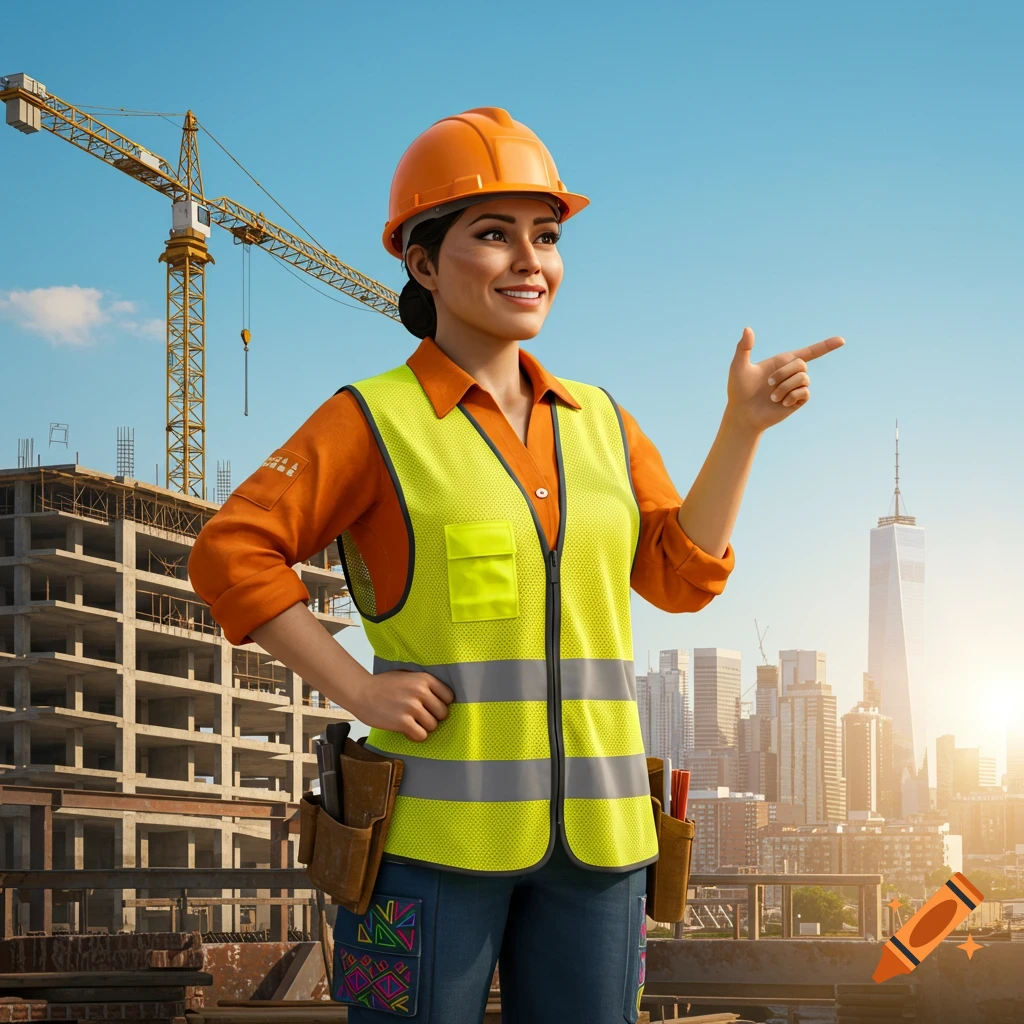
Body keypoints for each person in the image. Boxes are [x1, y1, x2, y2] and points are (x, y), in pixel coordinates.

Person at [188, 107, 844, 1023]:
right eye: (492, 235)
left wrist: (741, 431)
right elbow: (231, 551)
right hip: (429, 843)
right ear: (421, 262)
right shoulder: (374, 420)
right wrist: (359, 692)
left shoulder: (603, 424)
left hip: (604, 847)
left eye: (546, 236)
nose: (529, 259)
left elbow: (679, 577)